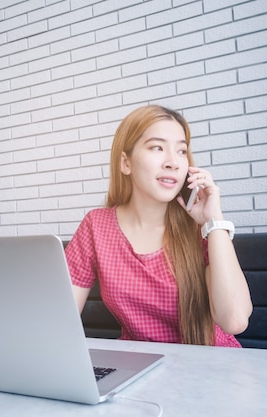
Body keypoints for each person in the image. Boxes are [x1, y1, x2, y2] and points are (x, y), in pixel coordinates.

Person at [65, 105, 252, 347]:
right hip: (140, 367)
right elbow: (60, 319)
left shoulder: (201, 228)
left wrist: (214, 221)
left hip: (211, 368)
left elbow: (234, 321)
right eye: (157, 147)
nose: (173, 162)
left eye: (182, 151)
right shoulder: (96, 226)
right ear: (126, 163)